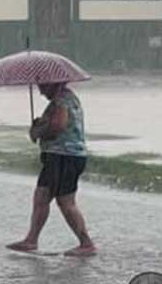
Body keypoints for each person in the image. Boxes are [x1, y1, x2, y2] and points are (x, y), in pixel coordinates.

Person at [6, 81, 96, 257]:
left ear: (55, 84)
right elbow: (56, 124)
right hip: (58, 156)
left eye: (43, 87)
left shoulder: (62, 100)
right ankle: (31, 240)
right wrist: (40, 125)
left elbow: (58, 126)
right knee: (41, 196)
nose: (40, 91)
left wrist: (39, 131)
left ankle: (86, 243)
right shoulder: (63, 100)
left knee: (65, 201)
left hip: (65, 156)